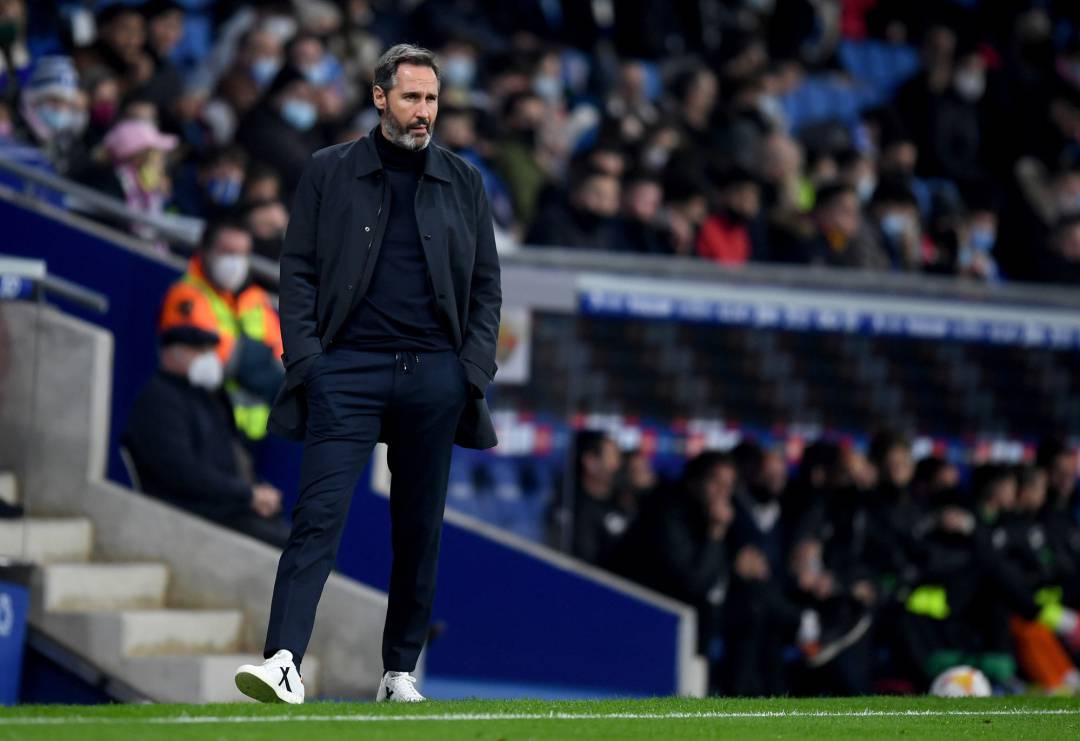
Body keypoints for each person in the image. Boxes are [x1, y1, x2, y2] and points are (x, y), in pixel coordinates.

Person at [234, 43, 501, 705]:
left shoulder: (465, 182)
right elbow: (295, 269)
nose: (424, 112)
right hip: (346, 371)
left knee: (418, 529)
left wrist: (470, 371)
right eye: (411, 97)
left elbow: (489, 288)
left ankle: (398, 672)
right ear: (380, 97)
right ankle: (284, 662)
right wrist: (309, 362)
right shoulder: (328, 170)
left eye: (432, 99)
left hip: (434, 377)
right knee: (316, 517)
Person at [122, 325, 290, 547]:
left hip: (228, 506)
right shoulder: (159, 401)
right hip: (194, 510)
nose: (211, 359)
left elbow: (231, 456)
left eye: (211, 351)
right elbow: (182, 472)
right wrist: (247, 494)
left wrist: (254, 493)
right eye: (201, 352)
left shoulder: (209, 396)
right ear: (173, 355)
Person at [158, 214, 284, 441]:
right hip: (200, 424)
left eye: (242, 254)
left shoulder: (254, 299)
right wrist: (260, 359)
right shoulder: (186, 295)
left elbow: (284, 358)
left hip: (251, 433)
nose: (235, 262)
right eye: (227, 252)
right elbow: (217, 354)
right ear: (205, 250)